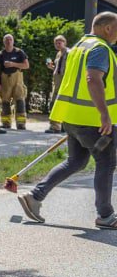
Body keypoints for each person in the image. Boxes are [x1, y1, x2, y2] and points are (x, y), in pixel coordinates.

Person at [17, 12, 117, 229]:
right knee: (106, 162)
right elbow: (93, 79)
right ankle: (106, 215)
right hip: (92, 120)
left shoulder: (79, 46)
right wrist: (104, 114)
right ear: (108, 28)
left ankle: (34, 197)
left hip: (72, 118)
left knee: (76, 161)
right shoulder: (100, 49)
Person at [0, 33, 30, 130]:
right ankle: (6, 123)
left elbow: (26, 65)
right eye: (6, 40)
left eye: (10, 39)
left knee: (20, 101)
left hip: (18, 80)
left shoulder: (19, 52)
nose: (8, 41)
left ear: (13, 41)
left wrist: (13, 64)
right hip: (5, 80)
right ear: (3, 42)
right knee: (5, 102)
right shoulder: (0, 55)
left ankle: (21, 123)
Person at [46, 34, 68, 133]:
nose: (58, 44)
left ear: (64, 42)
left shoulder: (69, 53)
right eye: (56, 43)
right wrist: (52, 67)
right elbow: (58, 68)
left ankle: (55, 127)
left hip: (64, 81)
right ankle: (60, 126)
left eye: (59, 42)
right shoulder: (58, 54)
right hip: (57, 81)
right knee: (56, 102)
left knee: (56, 103)